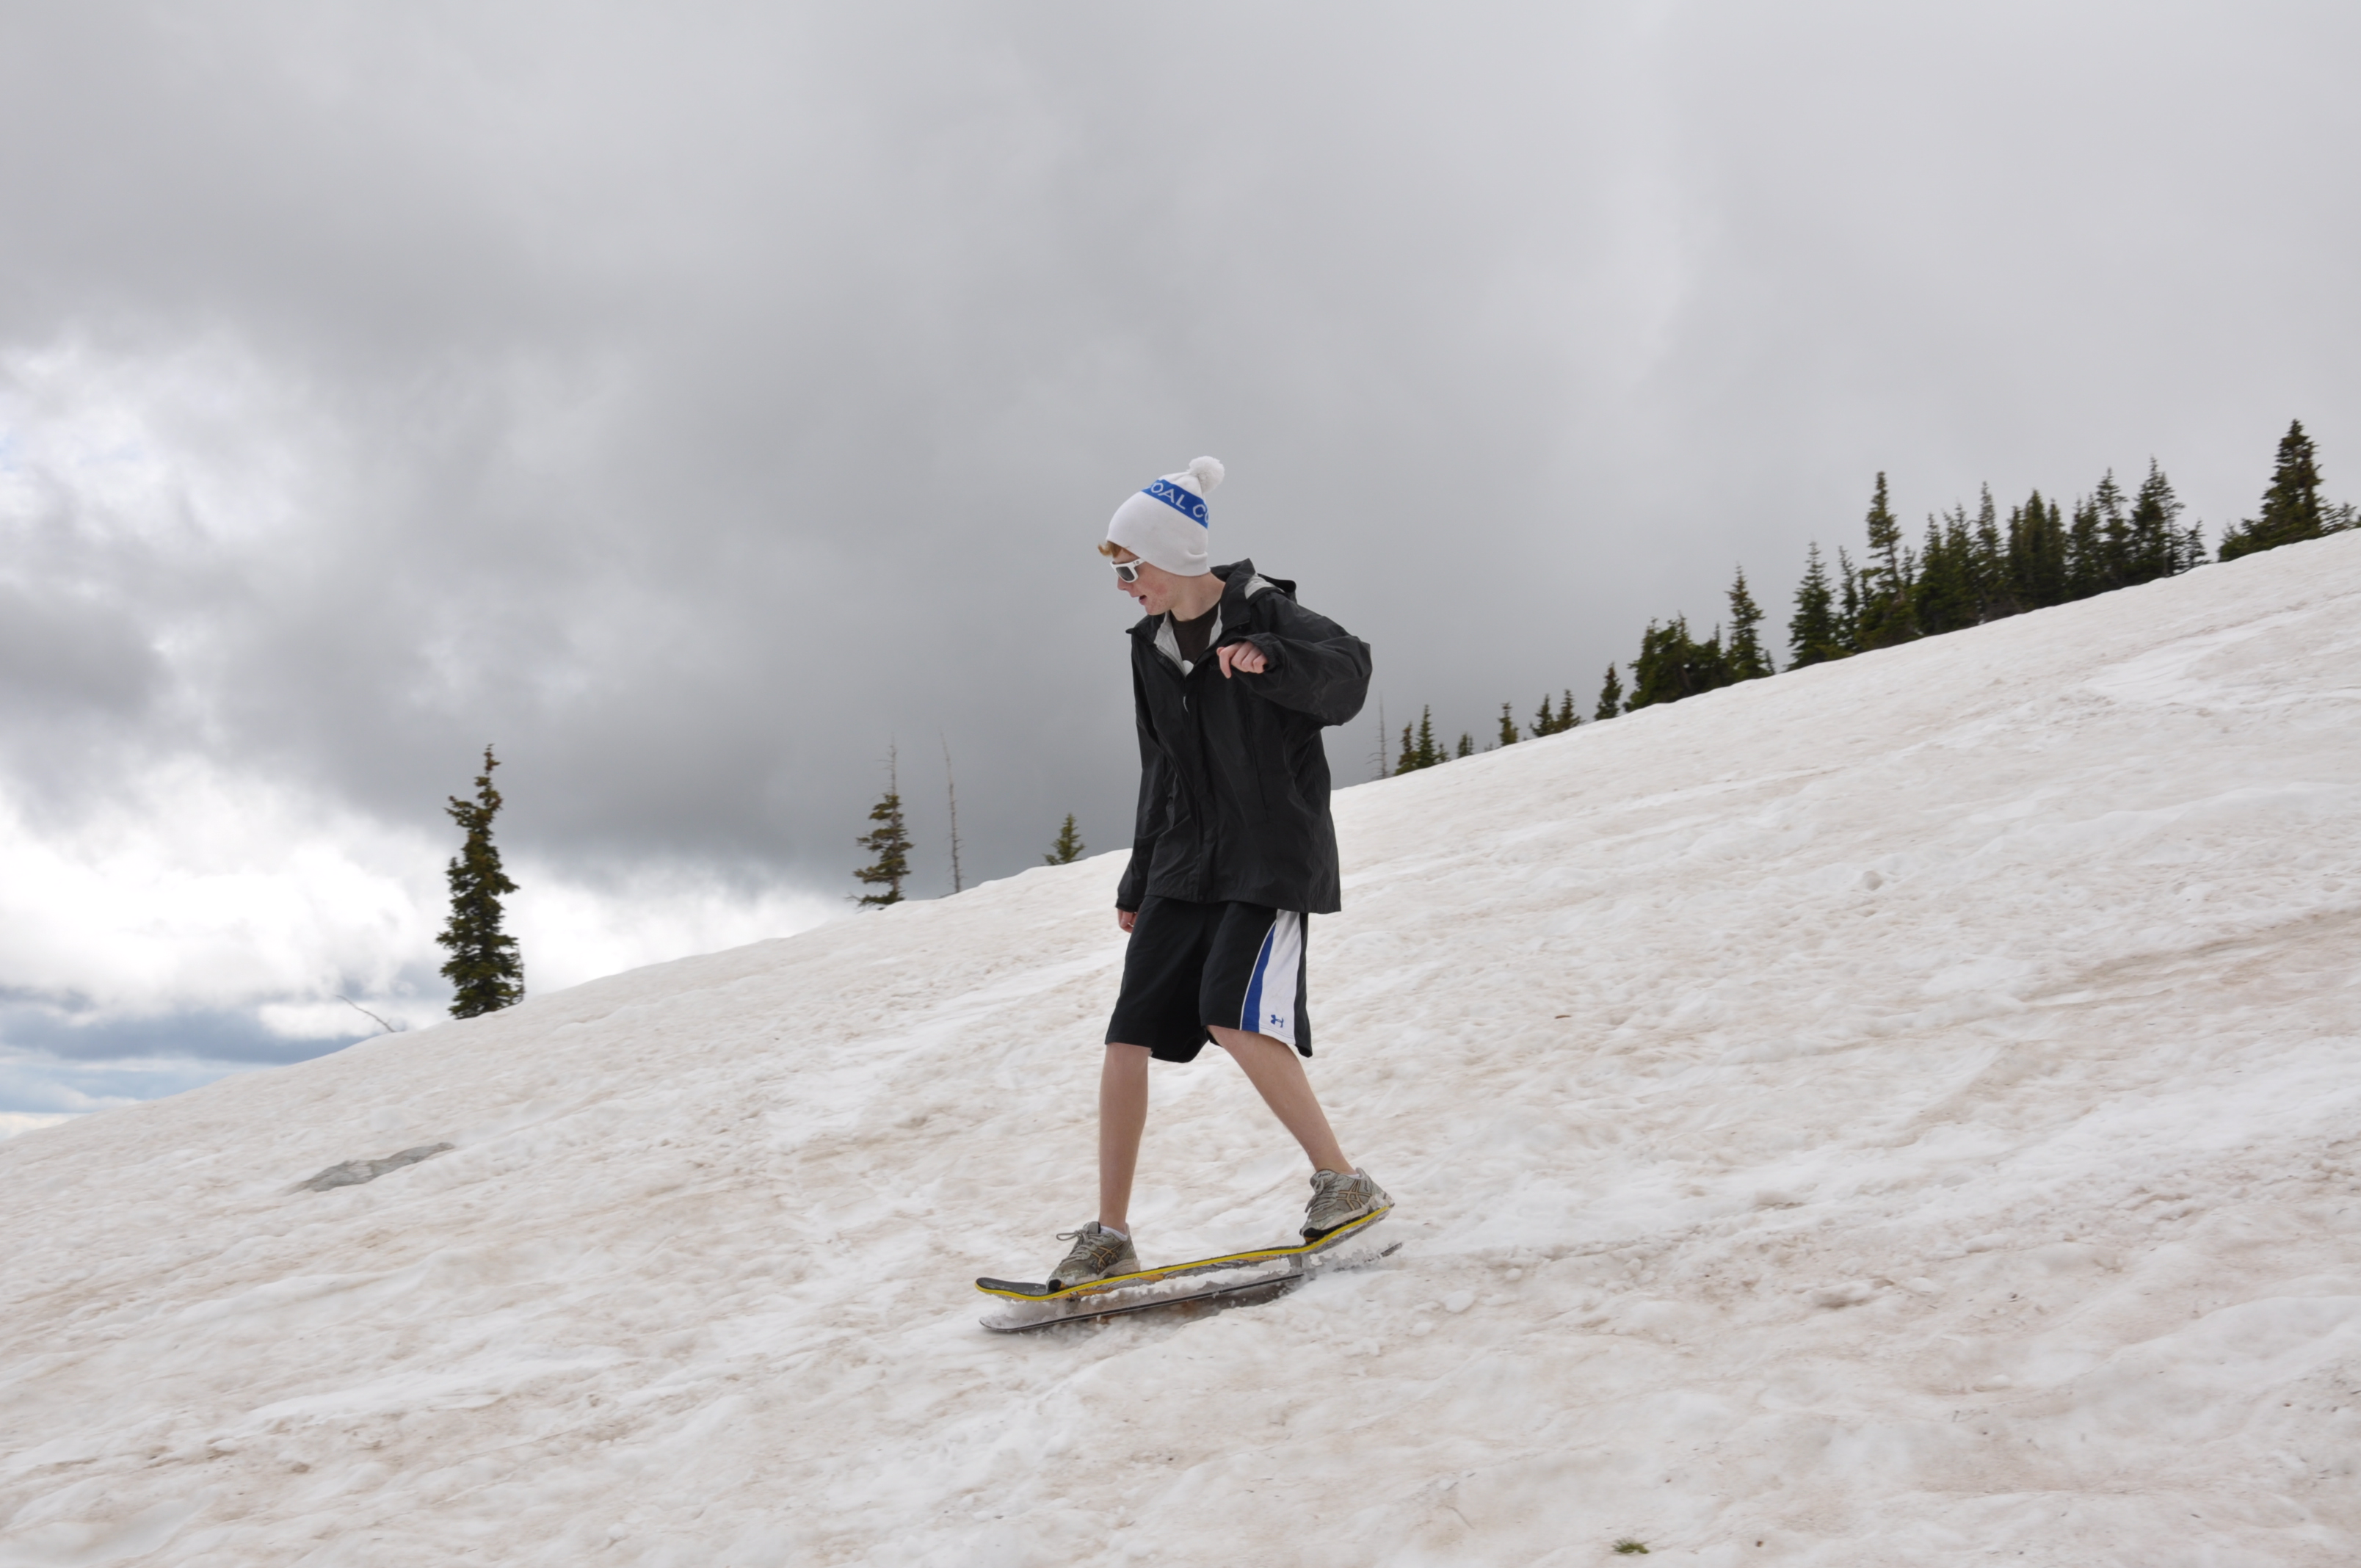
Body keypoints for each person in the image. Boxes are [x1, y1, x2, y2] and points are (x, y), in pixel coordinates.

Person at [1043, 454, 1389, 1291]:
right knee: (1127, 1035)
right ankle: (1110, 1235)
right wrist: (1136, 880)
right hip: (1183, 863)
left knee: (1232, 1013)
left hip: (1269, 858)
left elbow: (1349, 677)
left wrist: (1274, 657)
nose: (1124, 585)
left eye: (1131, 568)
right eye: (1119, 571)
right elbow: (1158, 766)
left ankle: (1343, 1184)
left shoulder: (1267, 612)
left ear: (1172, 555)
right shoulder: (1148, 647)